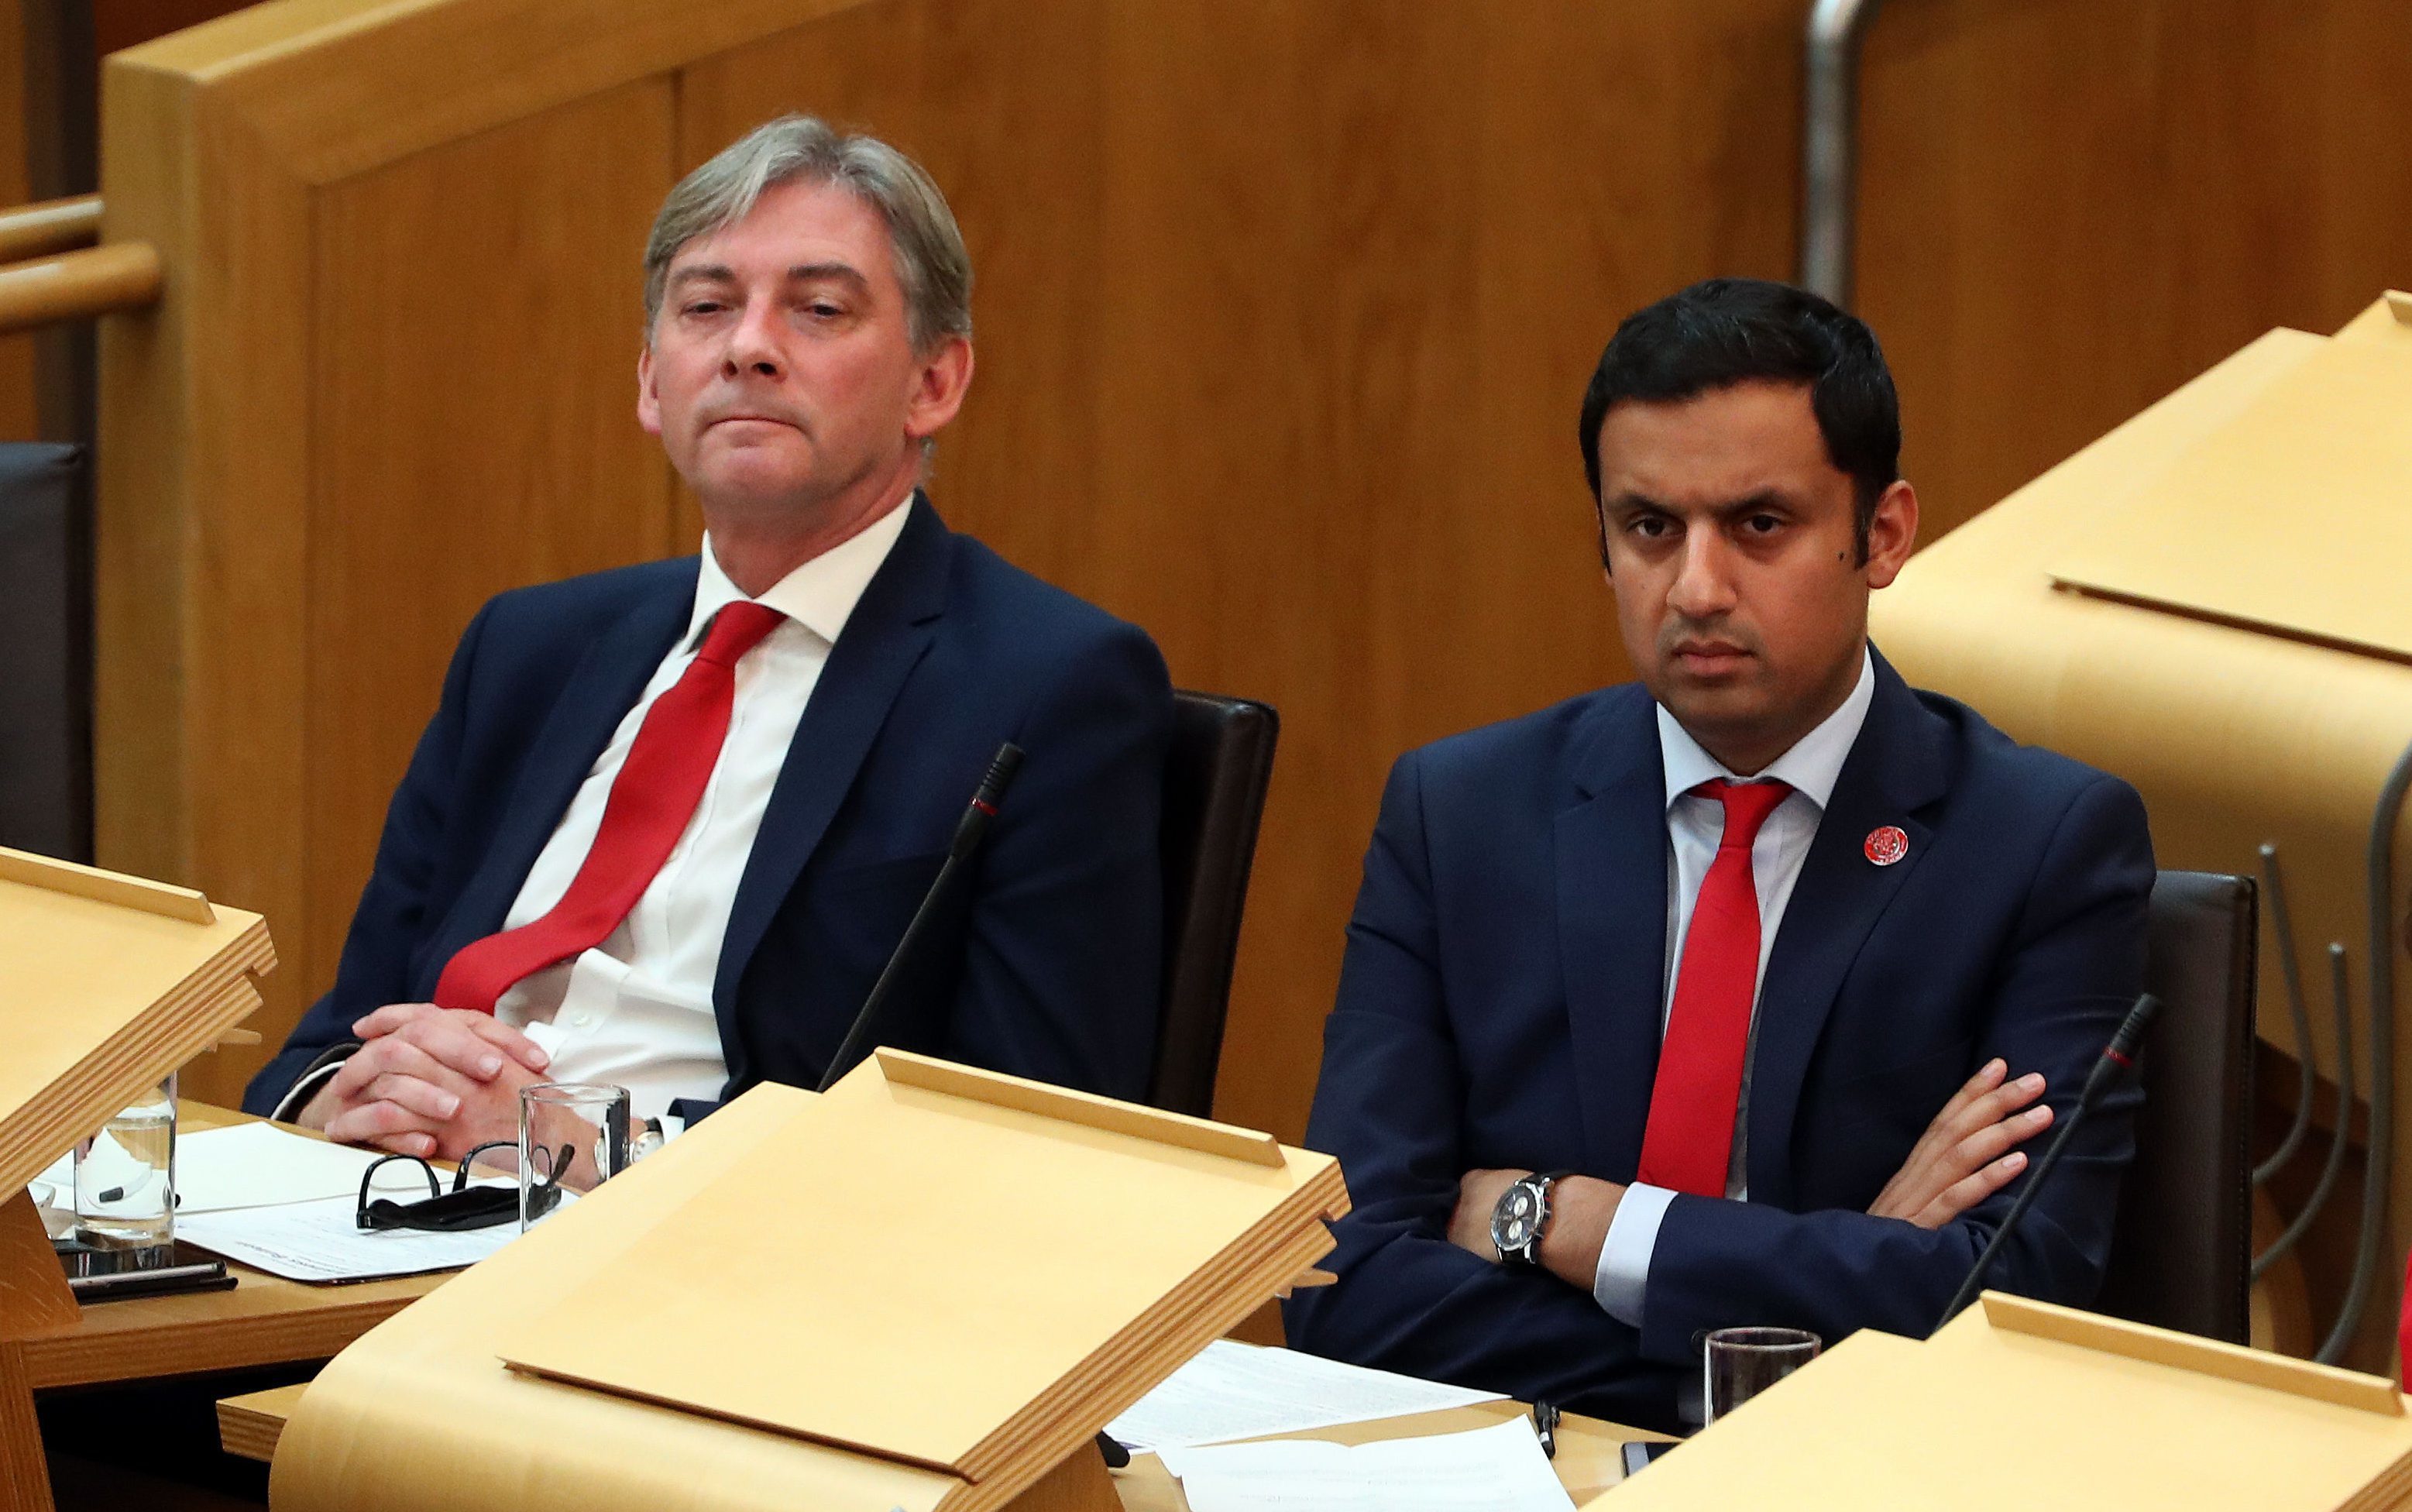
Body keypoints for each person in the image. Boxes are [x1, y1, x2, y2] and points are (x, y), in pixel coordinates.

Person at [1283, 278, 2153, 1431]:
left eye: (1757, 525)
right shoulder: (1460, 812)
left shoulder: (2039, 844)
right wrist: (1835, 1283)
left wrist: (1561, 1222)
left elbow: (2012, 1294)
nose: (1695, 587)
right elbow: (1339, 1288)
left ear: (1881, 535)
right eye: (1650, 528)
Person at [246, 115, 1173, 1156]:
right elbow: (332, 1039)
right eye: (707, 308)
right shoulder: (528, 650)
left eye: (817, 310)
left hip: (707, 1276)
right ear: (651, 379)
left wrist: (566, 1156)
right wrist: (342, 1100)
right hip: (387, 1210)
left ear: (935, 382)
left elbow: (1020, 1144)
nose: (748, 347)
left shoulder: (1043, 684)